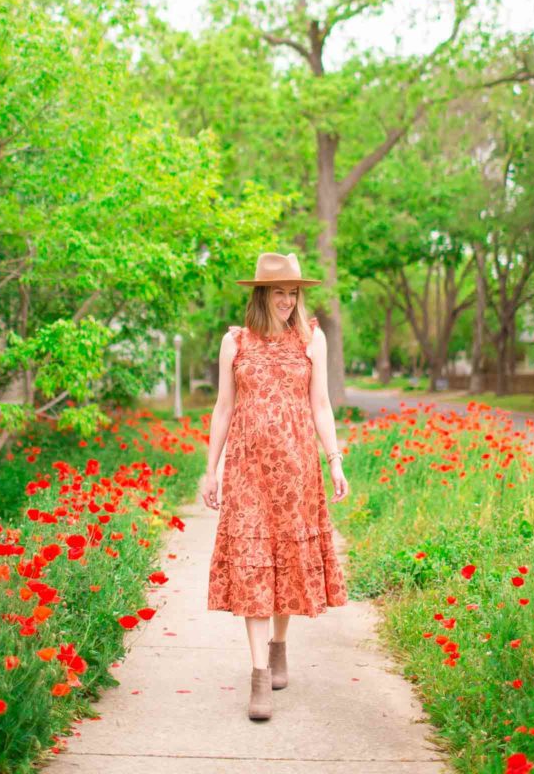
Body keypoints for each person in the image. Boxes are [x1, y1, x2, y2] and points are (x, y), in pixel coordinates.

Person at [203, 251, 349, 721]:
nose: (288, 301)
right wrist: (211, 468)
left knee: (286, 560)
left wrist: (335, 460)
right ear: (262, 294)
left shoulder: (312, 339)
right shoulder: (236, 342)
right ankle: (259, 675)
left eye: (294, 292)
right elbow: (223, 408)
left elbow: (321, 405)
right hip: (246, 468)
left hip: (296, 470)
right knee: (251, 564)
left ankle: (280, 643)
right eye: (279, 292)